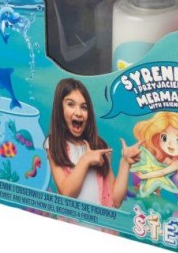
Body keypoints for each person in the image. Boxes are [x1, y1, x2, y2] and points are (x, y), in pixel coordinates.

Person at [45, 78, 141, 207]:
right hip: (70, 219)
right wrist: (86, 160)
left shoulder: (99, 146)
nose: (79, 113)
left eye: (84, 107)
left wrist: (125, 163)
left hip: (99, 220)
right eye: (71, 104)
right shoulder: (54, 144)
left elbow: (115, 201)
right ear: (59, 108)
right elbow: (66, 193)